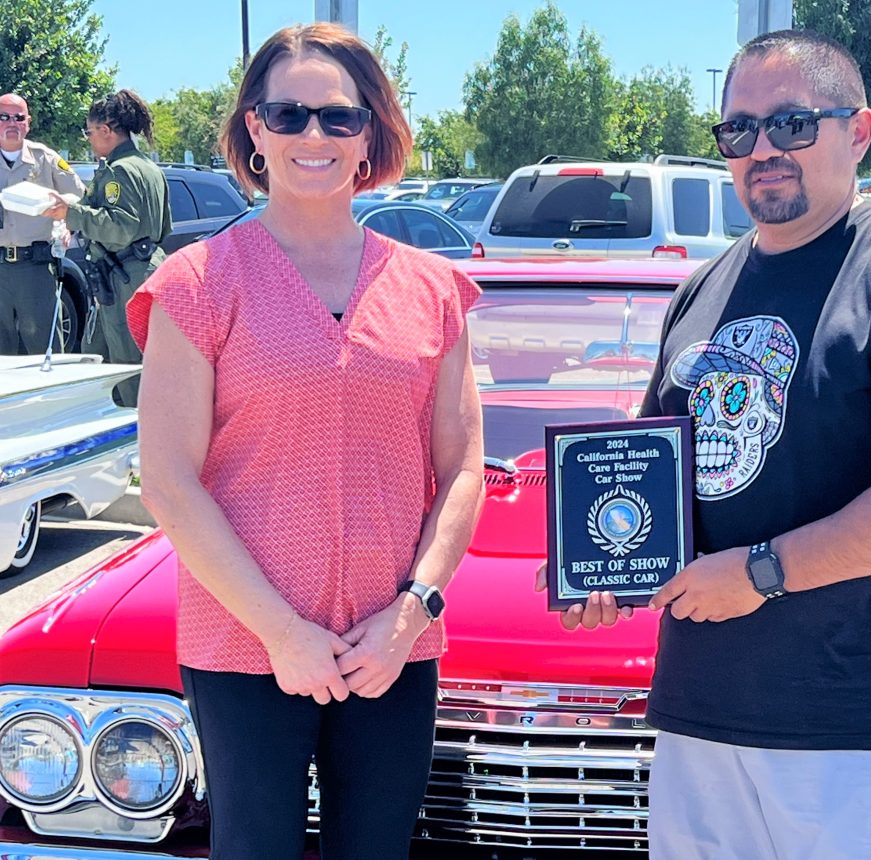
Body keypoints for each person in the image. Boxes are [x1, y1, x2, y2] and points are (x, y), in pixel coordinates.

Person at [538, 30, 871, 859]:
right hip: (702, 722)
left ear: (857, 132)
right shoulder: (703, 288)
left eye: (791, 124)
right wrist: (596, 567)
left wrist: (761, 571)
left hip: (858, 734)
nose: (762, 150)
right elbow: (655, 484)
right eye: (739, 131)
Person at [123, 23, 484, 860]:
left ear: (371, 131)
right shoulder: (197, 285)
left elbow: (462, 468)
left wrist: (412, 610)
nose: (313, 136)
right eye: (287, 115)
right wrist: (281, 633)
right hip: (243, 646)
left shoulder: (434, 290)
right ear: (254, 129)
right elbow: (169, 480)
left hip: (389, 647)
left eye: (338, 117)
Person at [42, 90, 171, 405]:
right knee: (100, 354)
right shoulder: (147, 167)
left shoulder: (120, 170)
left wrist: (71, 214)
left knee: (127, 362)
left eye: (89, 132)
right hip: (139, 269)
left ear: (106, 130)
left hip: (125, 275)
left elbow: (120, 226)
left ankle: (135, 435)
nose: (88, 139)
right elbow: (164, 224)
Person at [0, 92, 85, 354]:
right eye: (3, 117)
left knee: (43, 350)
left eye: (18, 117)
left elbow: (80, 195)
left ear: (29, 122)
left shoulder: (45, 158)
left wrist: (65, 223)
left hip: (34, 269)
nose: (11, 123)